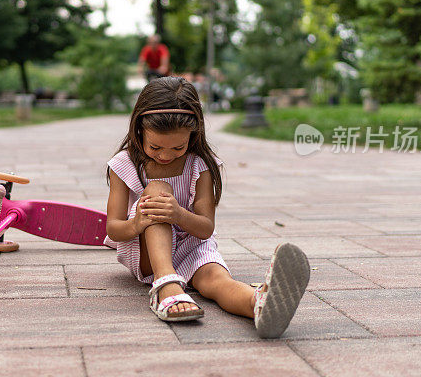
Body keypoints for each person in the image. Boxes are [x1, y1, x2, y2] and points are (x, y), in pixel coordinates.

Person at [104, 76, 310, 338]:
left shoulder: (200, 165)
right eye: (155, 147)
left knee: (216, 279)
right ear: (139, 130)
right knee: (157, 191)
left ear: (194, 134)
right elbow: (114, 228)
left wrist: (177, 213)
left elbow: (205, 228)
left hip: (193, 244)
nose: (166, 155)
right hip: (148, 252)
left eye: (178, 147)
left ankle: (258, 304)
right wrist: (138, 223)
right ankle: (166, 283)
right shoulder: (124, 164)